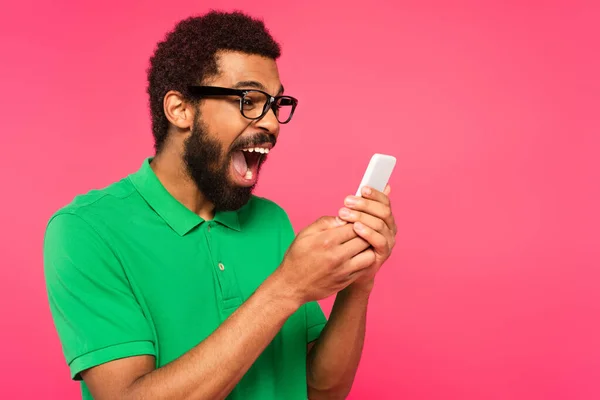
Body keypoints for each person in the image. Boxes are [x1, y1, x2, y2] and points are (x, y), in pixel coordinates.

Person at [43, 10, 397, 400]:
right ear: (180, 110)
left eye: (275, 103)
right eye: (249, 99)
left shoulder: (271, 221)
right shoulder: (87, 231)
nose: (273, 124)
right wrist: (286, 288)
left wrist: (359, 282)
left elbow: (321, 390)